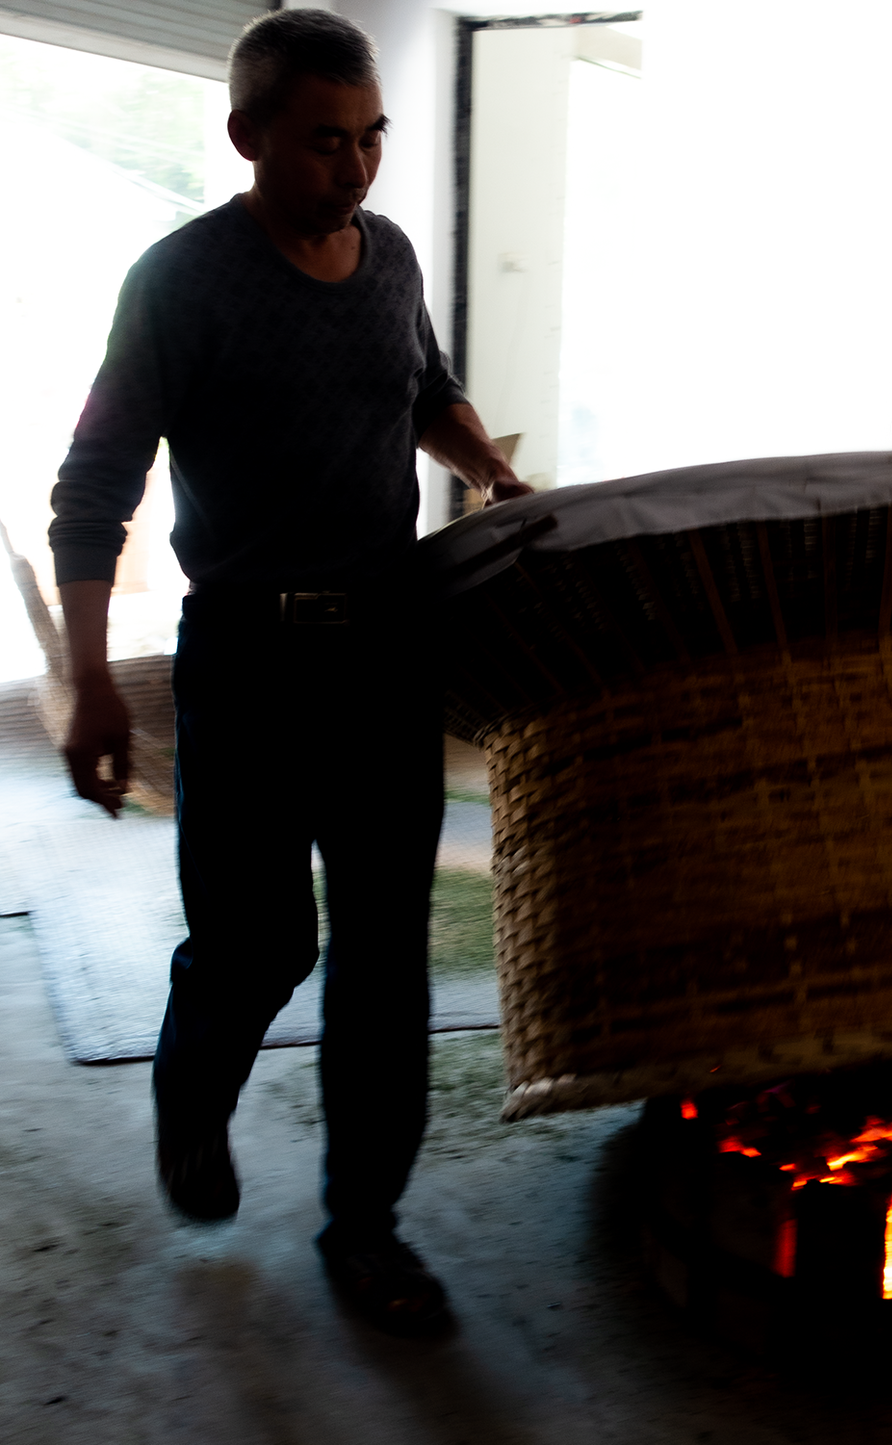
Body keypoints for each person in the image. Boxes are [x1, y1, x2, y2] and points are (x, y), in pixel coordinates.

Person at [48, 10, 528, 1336]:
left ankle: (364, 1226)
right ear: (249, 136)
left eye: (372, 138)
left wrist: (487, 468)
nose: (358, 168)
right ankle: (191, 1093)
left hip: (384, 651)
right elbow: (92, 485)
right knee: (256, 942)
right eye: (327, 144)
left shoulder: (391, 260)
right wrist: (90, 681)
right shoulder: (179, 282)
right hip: (248, 660)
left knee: (382, 957)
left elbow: (422, 385)